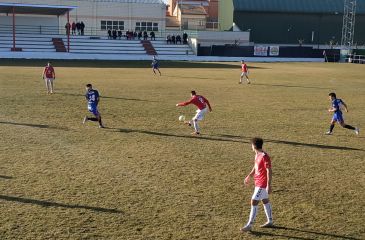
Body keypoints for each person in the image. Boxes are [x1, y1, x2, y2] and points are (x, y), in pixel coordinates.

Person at [241, 137, 273, 232]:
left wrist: (268, 185)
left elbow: (269, 171)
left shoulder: (264, 156)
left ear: (254, 146)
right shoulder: (257, 155)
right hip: (258, 182)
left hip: (262, 183)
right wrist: (249, 176)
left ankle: (249, 225)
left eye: (251, 145)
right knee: (265, 200)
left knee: (254, 201)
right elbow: (256, 167)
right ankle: (270, 221)